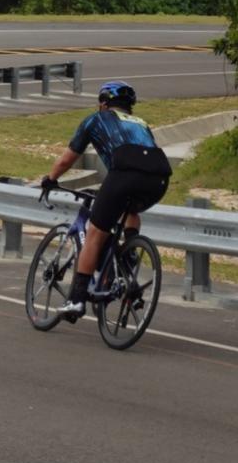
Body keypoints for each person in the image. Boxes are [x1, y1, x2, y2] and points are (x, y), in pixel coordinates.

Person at [40, 80, 171, 321]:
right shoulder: (141, 123)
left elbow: (67, 160)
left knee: (95, 233)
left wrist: (50, 179)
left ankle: (76, 300)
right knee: (130, 210)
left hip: (124, 176)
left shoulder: (96, 119)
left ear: (103, 103)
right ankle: (129, 254)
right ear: (129, 106)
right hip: (159, 180)